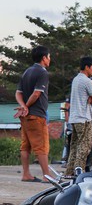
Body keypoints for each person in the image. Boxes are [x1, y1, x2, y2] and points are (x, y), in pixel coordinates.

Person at [15, 45, 52, 182]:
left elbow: (18, 93)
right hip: (36, 115)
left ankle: (26, 174)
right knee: (41, 145)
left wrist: (23, 106)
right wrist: (27, 106)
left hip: (25, 116)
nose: (49, 59)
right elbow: (37, 93)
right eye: (49, 57)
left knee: (26, 145)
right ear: (44, 58)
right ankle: (47, 175)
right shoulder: (42, 73)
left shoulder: (27, 71)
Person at [65, 56, 92, 177]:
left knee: (74, 146)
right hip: (84, 118)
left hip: (74, 117)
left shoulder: (75, 80)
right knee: (84, 146)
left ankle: (69, 171)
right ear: (87, 67)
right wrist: (91, 97)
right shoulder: (87, 81)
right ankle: (79, 171)